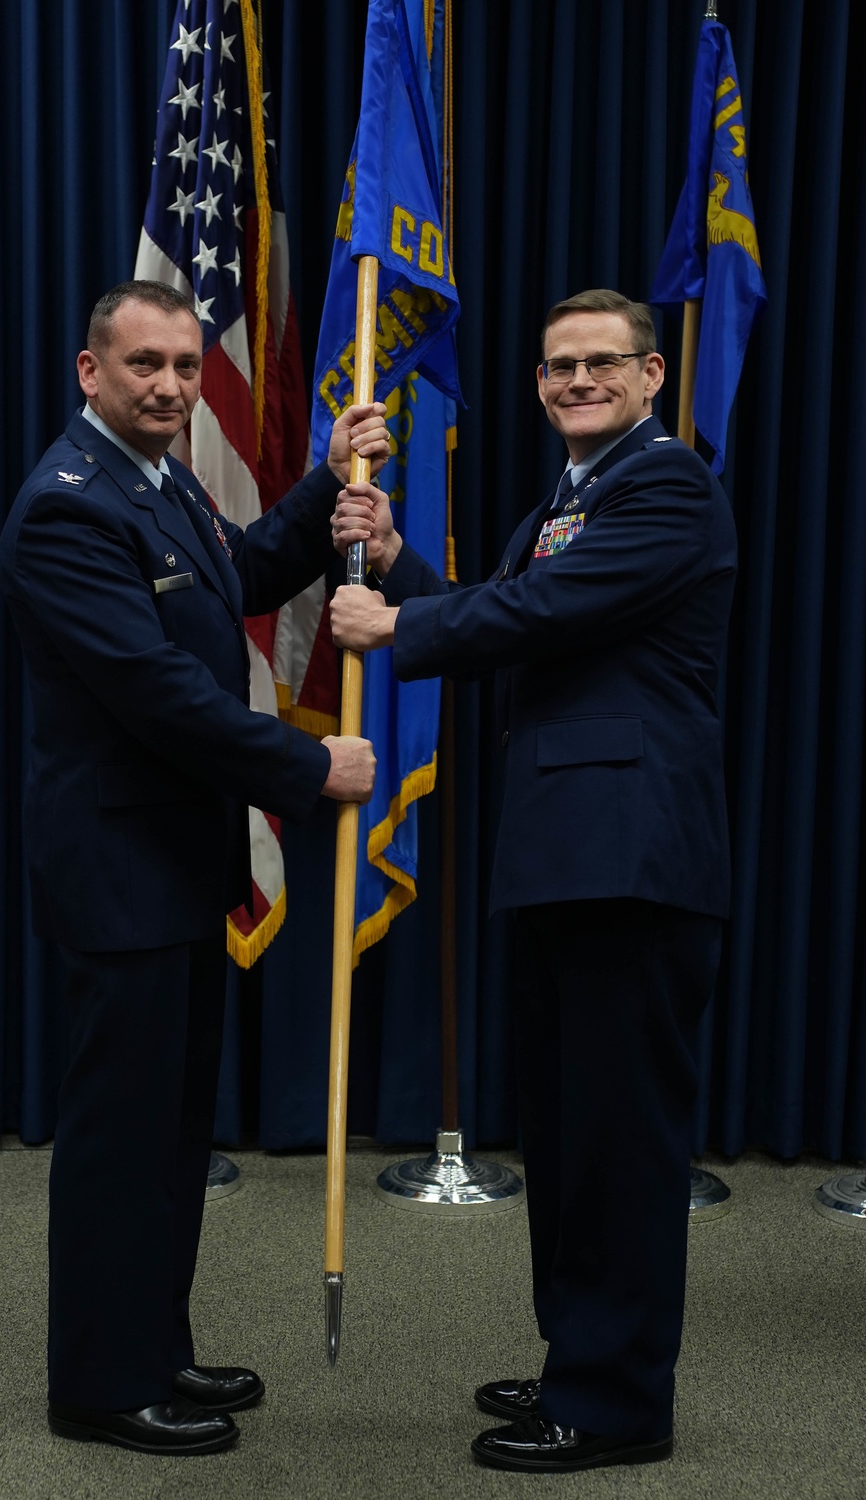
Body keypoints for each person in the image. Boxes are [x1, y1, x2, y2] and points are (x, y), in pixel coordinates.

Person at [329, 289, 737, 1474]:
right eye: (557, 366)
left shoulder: (665, 485)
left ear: (652, 375)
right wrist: (400, 564)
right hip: (568, 853)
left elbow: (547, 609)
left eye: (599, 363)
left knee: (616, 1137)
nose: (573, 381)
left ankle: (614, 1402)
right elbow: (523, 609)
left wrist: (395, 623)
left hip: (632, 858)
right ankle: (580, 1359)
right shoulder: (574, 494)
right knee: (566, 1131)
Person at [0, 280, 388, 1456]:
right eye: (145, 367)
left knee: (171, 1138)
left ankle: (151, 1347)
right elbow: (155, 694)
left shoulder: (158, 485)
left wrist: (326, 482)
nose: (170, 386)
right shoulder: (68, 509)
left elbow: (246, 579)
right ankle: (102, 1386)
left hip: (175, 864)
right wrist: (305, 763)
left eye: (181, 365)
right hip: (119, 870)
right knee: (123, 1141)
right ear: (90, 372)